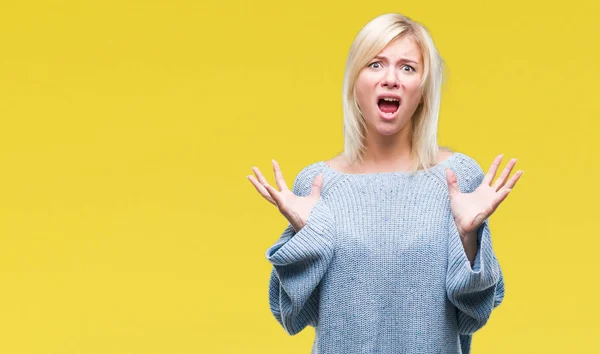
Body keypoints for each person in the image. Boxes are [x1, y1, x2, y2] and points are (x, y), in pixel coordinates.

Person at [247, 12, 523, 354]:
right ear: (354, 83)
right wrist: (307, 238)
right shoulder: (317, 185)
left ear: (423, 90)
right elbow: (293, 316)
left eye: (407, 67)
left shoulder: (458, 179)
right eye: (375, 64)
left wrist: (468, 237)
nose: (390, 78)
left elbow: (473, 316)